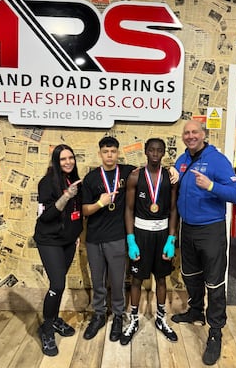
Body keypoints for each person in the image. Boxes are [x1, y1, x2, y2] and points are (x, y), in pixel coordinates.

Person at [171, 120, 236, 366]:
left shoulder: (217, 160)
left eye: (194, 132)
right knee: (190, 275)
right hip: (187, 228)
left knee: (214, 281)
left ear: (203, 135)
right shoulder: (182, 158)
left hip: (211, 229)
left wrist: (210, 185)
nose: (190, 136)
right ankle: (194, 311)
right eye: (186, 133)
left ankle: (215, 332)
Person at [120, 138, 179, 345]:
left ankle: (161, 319)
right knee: (136, 280)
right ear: (145, 151)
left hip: (162, 234)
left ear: (164, 153)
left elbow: (173, 210)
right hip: (141, 234)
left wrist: (171, 238)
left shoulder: (169, 178)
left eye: (159, 150)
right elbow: (128, 209)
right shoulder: (135, 176)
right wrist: (131, 239)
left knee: (161, 278)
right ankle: (134, 319)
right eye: (152, 150)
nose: (155, 154)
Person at [82, 136, 136, 342]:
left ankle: (119, 316)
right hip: (94, 238)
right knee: (98, 281)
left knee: (118, 280)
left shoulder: (127, 171)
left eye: (113, 151)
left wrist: (173, 171)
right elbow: (85, 210)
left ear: (118, 152)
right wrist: (100, 203)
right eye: (106, 152)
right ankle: (98, 315)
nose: (110, 155)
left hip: (116, 237)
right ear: (100, 154)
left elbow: (151, 170)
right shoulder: (91, 178)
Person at [34, 144, 83, 357]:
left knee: (59, 283)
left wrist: (77, 235)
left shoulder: (75, 180)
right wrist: (66, 196)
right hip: (49, 240)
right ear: (56, 161)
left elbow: (78, 211)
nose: (68, 162)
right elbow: (45, 216)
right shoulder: (46, 183)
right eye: (63, 159)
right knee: (57, 284)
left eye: (70, 158)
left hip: (68, 241)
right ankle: (46, 328)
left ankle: (53, 319)